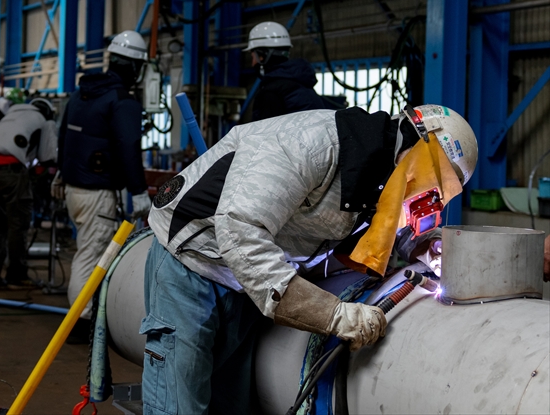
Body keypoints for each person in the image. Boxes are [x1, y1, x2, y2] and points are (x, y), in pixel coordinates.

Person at [141, 104, 478, 414]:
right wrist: (332, 314)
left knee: (230, 403)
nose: (426, 197)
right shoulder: (309, 144)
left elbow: (384, 218)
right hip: (193, 263)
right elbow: (240, 229)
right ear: (415, 148)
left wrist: (419, 246)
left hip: (246, 283)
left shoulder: (379, 171)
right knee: (179, 402)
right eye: (435, 184)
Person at [52, 30, 152, 343]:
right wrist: (138, 190)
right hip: (97, 193)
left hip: (75, 188)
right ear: (136, 67)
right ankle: (80, 323)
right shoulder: (122, 101)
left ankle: (87, 314)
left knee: (88, 249)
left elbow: (63, 136)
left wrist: (60, 173)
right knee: (92, 255)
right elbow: (129, 146)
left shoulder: (82, 94)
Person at [0, 91, 58, 291]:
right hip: (13, 170)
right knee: (18, 224)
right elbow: (47, 156)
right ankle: (17, 275)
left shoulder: (12, 112)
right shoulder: (45, 120)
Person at [245, 21, 338, 121]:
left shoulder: (272, 92)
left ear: (262, 56)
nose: (253, 63)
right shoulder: (302, 85)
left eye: (253, 56)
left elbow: (266, 134)